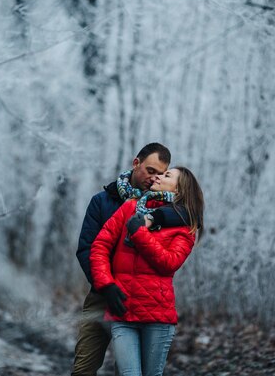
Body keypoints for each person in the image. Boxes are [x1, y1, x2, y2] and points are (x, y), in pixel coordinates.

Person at [72, 143, 189, 376]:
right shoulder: (103, 201)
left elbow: (187, 213)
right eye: (151, 170)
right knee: (84, 367)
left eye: (160, 174)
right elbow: (88, 248)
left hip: (139, 300)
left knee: (127, 370)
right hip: (102, 293)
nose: (153, 178)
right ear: (136, 164)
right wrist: (106, 286)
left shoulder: (163, 208)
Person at [90, 166, 204, 376]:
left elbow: (169, 263)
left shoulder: (185, 227)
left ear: (179, 190)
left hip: (157, 317)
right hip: (122, 312)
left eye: (167, 175)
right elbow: (100, 247)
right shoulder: (130, 208)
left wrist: (139, 233)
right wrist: (106, 284)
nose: (158, 176)